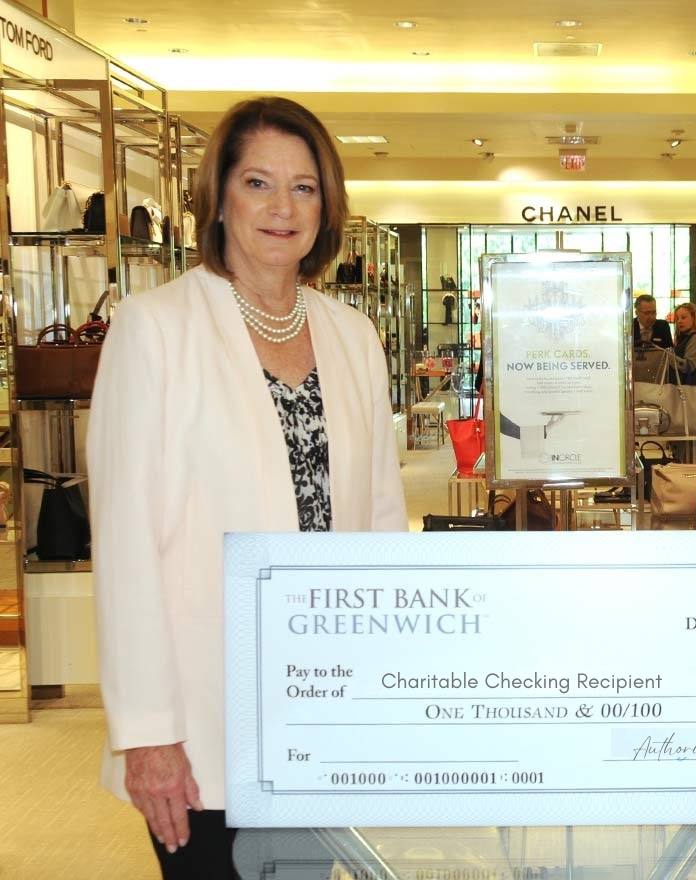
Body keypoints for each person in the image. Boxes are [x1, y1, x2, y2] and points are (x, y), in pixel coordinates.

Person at [88, 96, 408, 878]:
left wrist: (390, 682)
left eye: (304, 188)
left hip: (324, 707)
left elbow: (379, 522)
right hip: (204, 717)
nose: (281, 207)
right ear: (220, 197)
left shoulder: (353, 335)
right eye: (259, 182)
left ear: (326, 207)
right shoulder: (155, 328)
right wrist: (148, 730)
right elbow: (125, 544)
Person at [670, 301, 696, 462]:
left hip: (691, 395)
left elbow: (688, 366)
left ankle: (689, 475)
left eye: (684, 317)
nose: (680, 321)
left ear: (694, 318)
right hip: (683, 395)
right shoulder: (683, 339)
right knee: (682, 440)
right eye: (677, 318)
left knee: (689, 440)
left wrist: (667, 357)